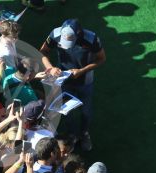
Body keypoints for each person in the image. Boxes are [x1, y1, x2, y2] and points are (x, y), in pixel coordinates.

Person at [40, 18, 106, 151]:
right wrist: (51, 68)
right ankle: (72, 134)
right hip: (64, 80)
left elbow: (101, 58)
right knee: (66, 110)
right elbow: (42, 51)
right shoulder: (55, 34)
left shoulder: (91, 39)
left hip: (85, 81)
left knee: (86, 111)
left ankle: (84, 133)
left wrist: (82, 71)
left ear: (79, 34)